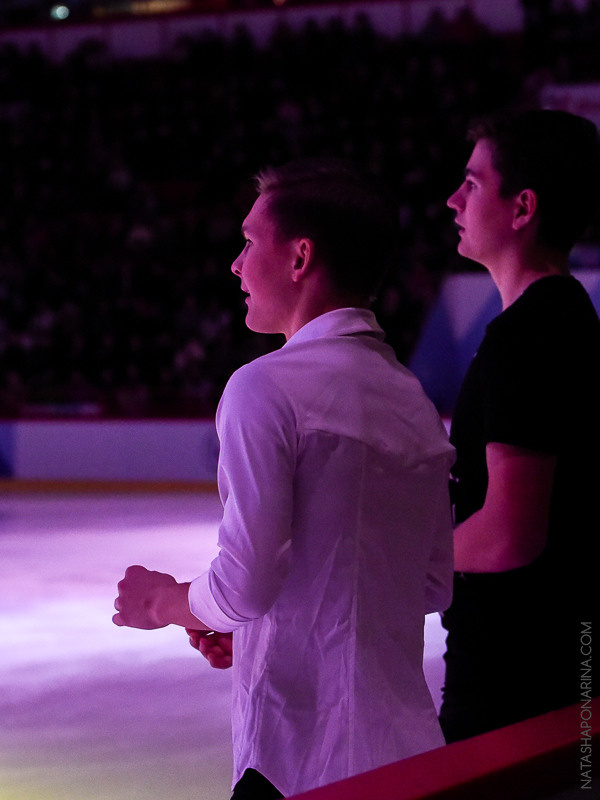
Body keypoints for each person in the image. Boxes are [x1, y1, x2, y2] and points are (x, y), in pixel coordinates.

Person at [113, 157, 455, 798]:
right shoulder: (412, 401)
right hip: (408, 753)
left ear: (299, 258)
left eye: (248, 243)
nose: (236, 266)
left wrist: (164, 601)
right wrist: (270, 639)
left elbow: (245, 583)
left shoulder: (263, 389)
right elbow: (430, 583)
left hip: (298, 759)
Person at [440, 109, 600, 743]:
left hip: (517, 678)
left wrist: (399, 564)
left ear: (522, 207)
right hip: (553, 664)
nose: (454, 198)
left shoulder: (527, 336)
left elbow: (511, 533)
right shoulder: (565, 316)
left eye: (473, 184)